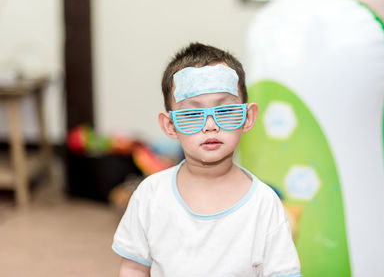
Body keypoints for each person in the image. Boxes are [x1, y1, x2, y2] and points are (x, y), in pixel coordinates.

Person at [112, 42, 301, 277]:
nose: (210, 125)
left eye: (225, 111)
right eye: (192, 114)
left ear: (248, 117)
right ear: (170, 125)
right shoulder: (150, 194)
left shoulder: (265, 204)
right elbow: (134, 267)